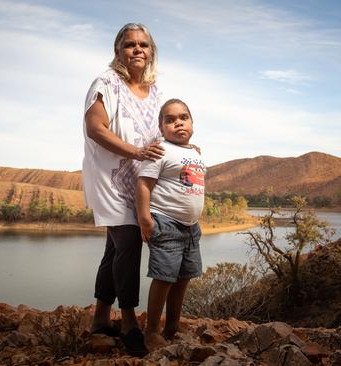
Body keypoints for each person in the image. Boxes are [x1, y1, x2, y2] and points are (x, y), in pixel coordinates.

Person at [82, 23, 164, 357]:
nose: (137, 50)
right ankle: (129, 320)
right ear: (118, 50)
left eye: (143, 44)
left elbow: (161, 135)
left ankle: (101, 318)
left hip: (141, 181)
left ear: (151, 51)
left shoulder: (154, 90)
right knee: (129, 242)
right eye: (130, 44)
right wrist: (136, 153)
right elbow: (95, 128)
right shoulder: (105, 83)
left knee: (114, 249)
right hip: (111, 177)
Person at [135, 99, 206, 351]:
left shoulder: (195, 152)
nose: (178, 122)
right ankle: (152, 331)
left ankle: (172, 326)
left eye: (183, 117)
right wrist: (145, 219)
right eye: (170, 119)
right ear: (161, 127)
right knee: (164, 278)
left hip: (191, 227)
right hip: (166, 223)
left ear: (192, 123)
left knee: (183, 278)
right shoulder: (160, 150)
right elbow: (143, 184)